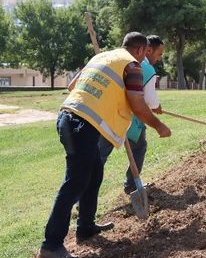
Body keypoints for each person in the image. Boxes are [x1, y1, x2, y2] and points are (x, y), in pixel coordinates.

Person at [39, 32, 172, 258]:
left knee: (94, 173)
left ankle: (86, 227)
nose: (143, 60)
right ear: (140, 50)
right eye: (143, 55)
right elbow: (139, 106)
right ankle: (51, 245)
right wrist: (159, 126)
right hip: (81, 125)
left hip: (70, 118)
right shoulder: (132, 66)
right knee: (75, 182)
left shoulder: (102, 58)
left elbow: (73, 85)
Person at [98, 35, 165, 194]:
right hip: (130, 119)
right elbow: (149, 100)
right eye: (160, 54)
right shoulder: (146, 68)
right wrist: (156, 107)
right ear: (147, 50)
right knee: (139, 147)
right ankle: (132, 185)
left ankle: (83, 197)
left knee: (99, 157)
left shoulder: (115, 61)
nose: (160, 58)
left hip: (107, 117)